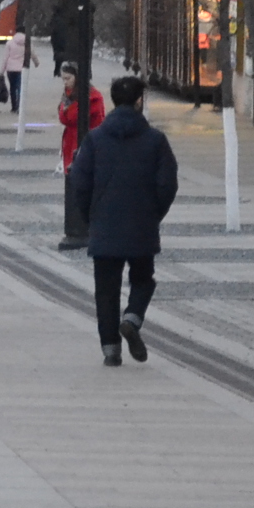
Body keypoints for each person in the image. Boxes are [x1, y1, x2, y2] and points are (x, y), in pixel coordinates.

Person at [70, 75, 178, 366]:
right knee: (143, 279)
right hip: (142, 225)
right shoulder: (156, 141)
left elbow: (79, 181)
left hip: (104, 226)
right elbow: (168, 184)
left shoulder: (95, 139)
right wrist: (153, 213)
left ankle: (110, 350)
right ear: (140, 101)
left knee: (106, 290)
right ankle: (132, 318)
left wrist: (91, 215)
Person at [57, 62, 105, 251]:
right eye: (63, 79)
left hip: (85, 145)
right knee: (74, 182)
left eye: (68, 78)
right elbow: (64, 116)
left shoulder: (92, 97)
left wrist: (65, 109)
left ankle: (84, 226)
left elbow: (70, 116)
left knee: (85, 185)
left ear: (78, 77)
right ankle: (79, 225)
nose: (65, 82)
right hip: (71, 143)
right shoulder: (70, 95)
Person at [1, 30, 37, 124]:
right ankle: (20, 107)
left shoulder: (9, 43)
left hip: (10, 69)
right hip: (21, 70)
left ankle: (14, 107)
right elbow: (32, 54)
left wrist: (1, 71)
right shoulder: (27, 43)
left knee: (12, 88)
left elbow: (5, 58)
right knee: (20, 88)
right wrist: (36, 62)